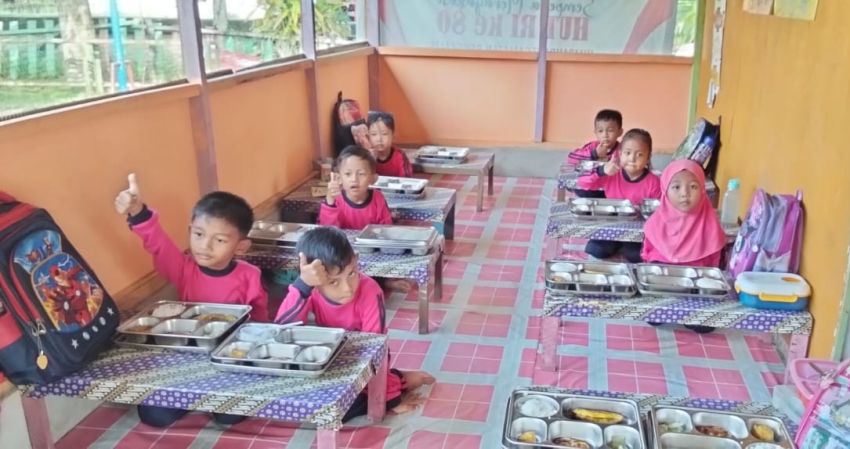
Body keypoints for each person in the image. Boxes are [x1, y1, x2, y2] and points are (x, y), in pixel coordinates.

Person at [114, 173, 268, 427]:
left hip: (228, 361)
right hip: (185, 361)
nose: (204, 246)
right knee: (153, 415)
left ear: (241, 247)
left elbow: (261, 321)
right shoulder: (183, 268)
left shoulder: (249, 276)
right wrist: (139, 213)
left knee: (229, 416)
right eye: (198, 234)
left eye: (218, 240)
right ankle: (195, 395)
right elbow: (159, 245)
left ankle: (214, 396)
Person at [275, 227, 434, 420]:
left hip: (365, 357)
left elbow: (376, 349)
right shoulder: (310, 290)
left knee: (346, 410)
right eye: (334, 282)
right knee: (312, 405)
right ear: (315, 280)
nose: (347, 288)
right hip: (330, 362)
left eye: (351, 274)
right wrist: (302, 285)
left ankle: (400, 380)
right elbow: (281, 330)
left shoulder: (370, 291)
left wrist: (390, 400)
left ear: (356, 261)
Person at [578, 128, 661, 262]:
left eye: (639, 155)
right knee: (597, 250)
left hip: (637, 231)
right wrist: (602, 171)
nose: (632, 159)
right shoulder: (612, 173)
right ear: (620, 154)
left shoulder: (654, 182)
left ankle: (625, 246)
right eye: (627, 153)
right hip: (611, 225)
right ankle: (615, 244)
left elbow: (658, 212)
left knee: (635, 255)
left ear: (648, 158)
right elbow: (583, 184)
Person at [318, 146, 393, 229]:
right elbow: (327, 232)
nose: (354, 179)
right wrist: (330, 202)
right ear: (339, 178)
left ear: (373, 179)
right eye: (348, 174)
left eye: (361, 174)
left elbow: (386, 229)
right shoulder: (335, 200)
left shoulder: (378, 199)